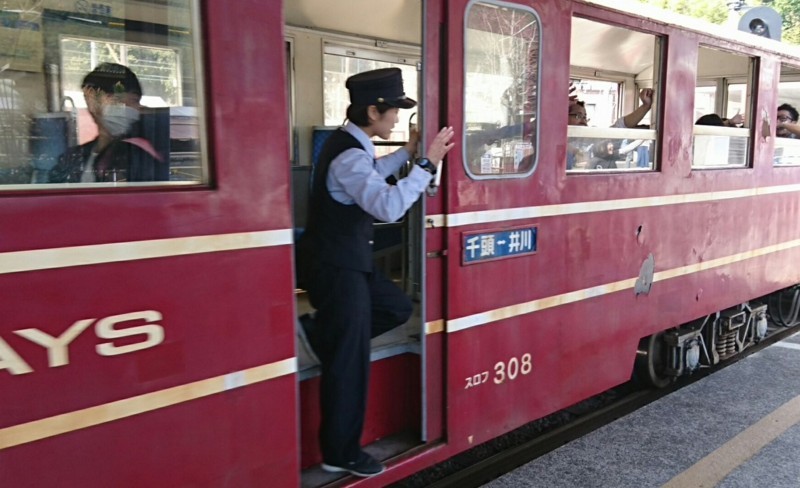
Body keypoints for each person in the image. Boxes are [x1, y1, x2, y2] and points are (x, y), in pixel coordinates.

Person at [295, 67, 455, 478]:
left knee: (396, 307)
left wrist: (407, 154)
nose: (397, 119)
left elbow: (372, 173)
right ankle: (340, 451)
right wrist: (426, 163)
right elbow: (387, 206)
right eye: (395, 112)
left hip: (348, 262)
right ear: (373, 111)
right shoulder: (349, 153)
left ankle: (318, 332)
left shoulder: (349, 143)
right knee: (348, 362)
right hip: (337, 269)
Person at [49, 63, 164, 183]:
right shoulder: (73, 157)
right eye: (116, 100)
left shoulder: (142, 155)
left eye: (134, 101)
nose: (126, 108)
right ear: (92, 99)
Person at [567, 87, 654, 169]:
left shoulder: (590, 140)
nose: (583, 120)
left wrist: (645, 106)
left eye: (585, 117)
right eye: (578, 116)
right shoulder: (556, 140)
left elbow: (620, 127)